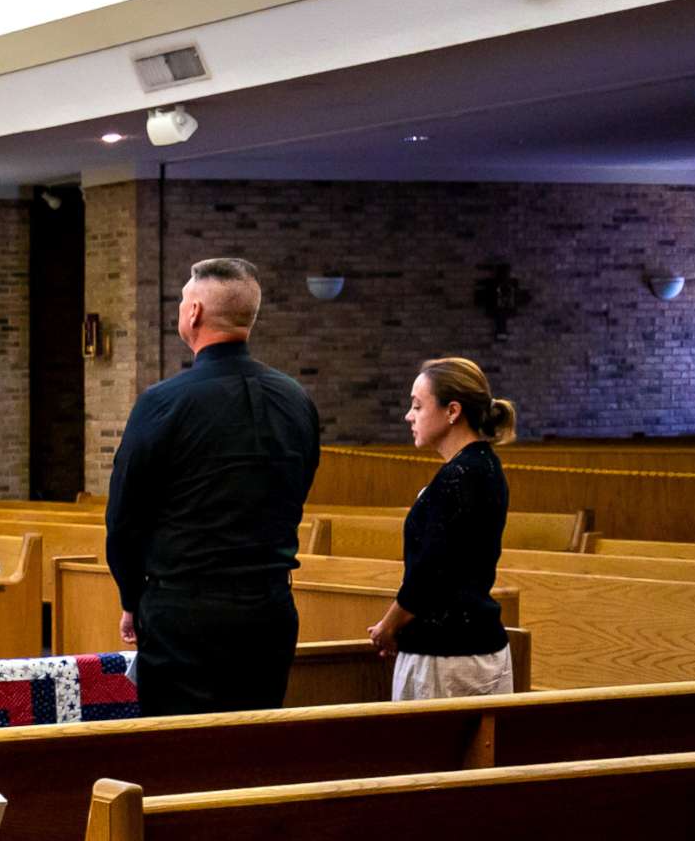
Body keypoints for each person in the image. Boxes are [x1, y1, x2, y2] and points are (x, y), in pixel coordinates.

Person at [104, 257, 322, 716]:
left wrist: (131, 598)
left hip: (185, 613)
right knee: (251, 752)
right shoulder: (296, 400)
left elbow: (124, 518)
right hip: (270, 608)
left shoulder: (164, 402)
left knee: (181, 756)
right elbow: (297, 492)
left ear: (195, 313)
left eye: (183, 299)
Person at [368, 358, 516, 700]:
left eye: (418, 406)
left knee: (425, 753)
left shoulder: (459, 476)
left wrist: (387, 628)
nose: (409, 415)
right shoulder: (485, 465)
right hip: (481, 645)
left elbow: (430, 575)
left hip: (446, 656)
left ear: (452, 411)